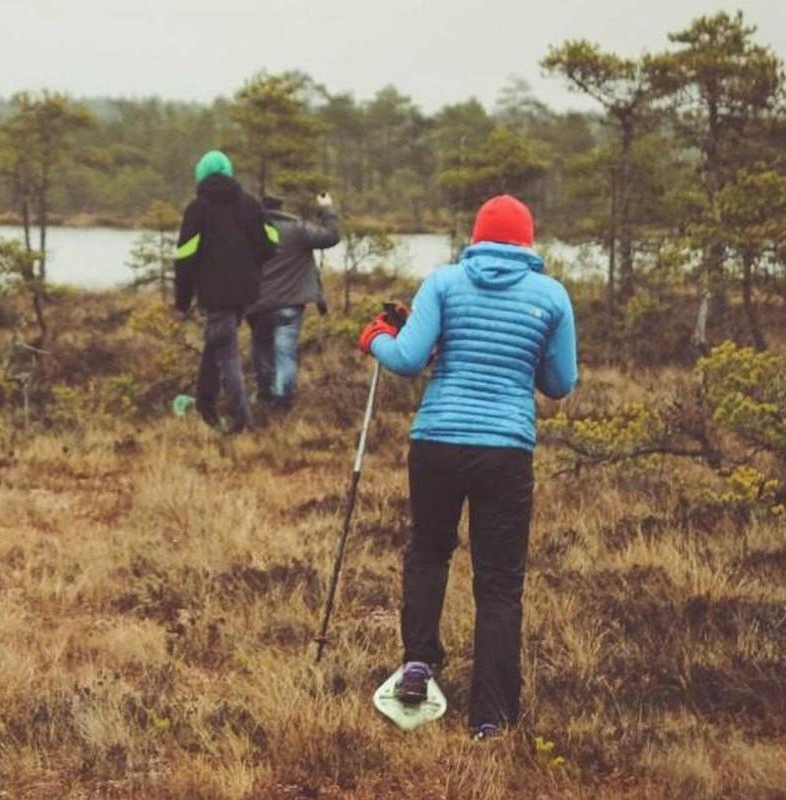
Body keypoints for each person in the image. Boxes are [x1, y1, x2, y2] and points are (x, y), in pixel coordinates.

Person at [358, 194, 578, 740]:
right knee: (500, 583)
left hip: (437, 441)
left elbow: (409, 359)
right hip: (506, 450)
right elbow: (559, 383)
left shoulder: (444, 281)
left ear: (477, 237)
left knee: (429, 551)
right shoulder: (552, 296)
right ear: (528, 241)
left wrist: (377, 339)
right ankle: (491, 715)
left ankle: (419, 665)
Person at [173, 150, 277, 433]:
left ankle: (242, 421)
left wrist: (182, 300)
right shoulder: (250, 205)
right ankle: (205, 406)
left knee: (227, 354)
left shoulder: (197, 209)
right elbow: (270, 245)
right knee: (217, 341)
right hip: (245, 293)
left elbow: (185, 257)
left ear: (201, 175)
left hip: (214, 294)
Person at [247, 192, 339, 412]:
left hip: (257, 306)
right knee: (285, 353)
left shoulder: (248, 232)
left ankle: (265, 396)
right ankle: (282, 401)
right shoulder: (298, 229)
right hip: (289, 306)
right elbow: (331, 236)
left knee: (261, 350)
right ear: (282, 208)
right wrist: (326, 208)